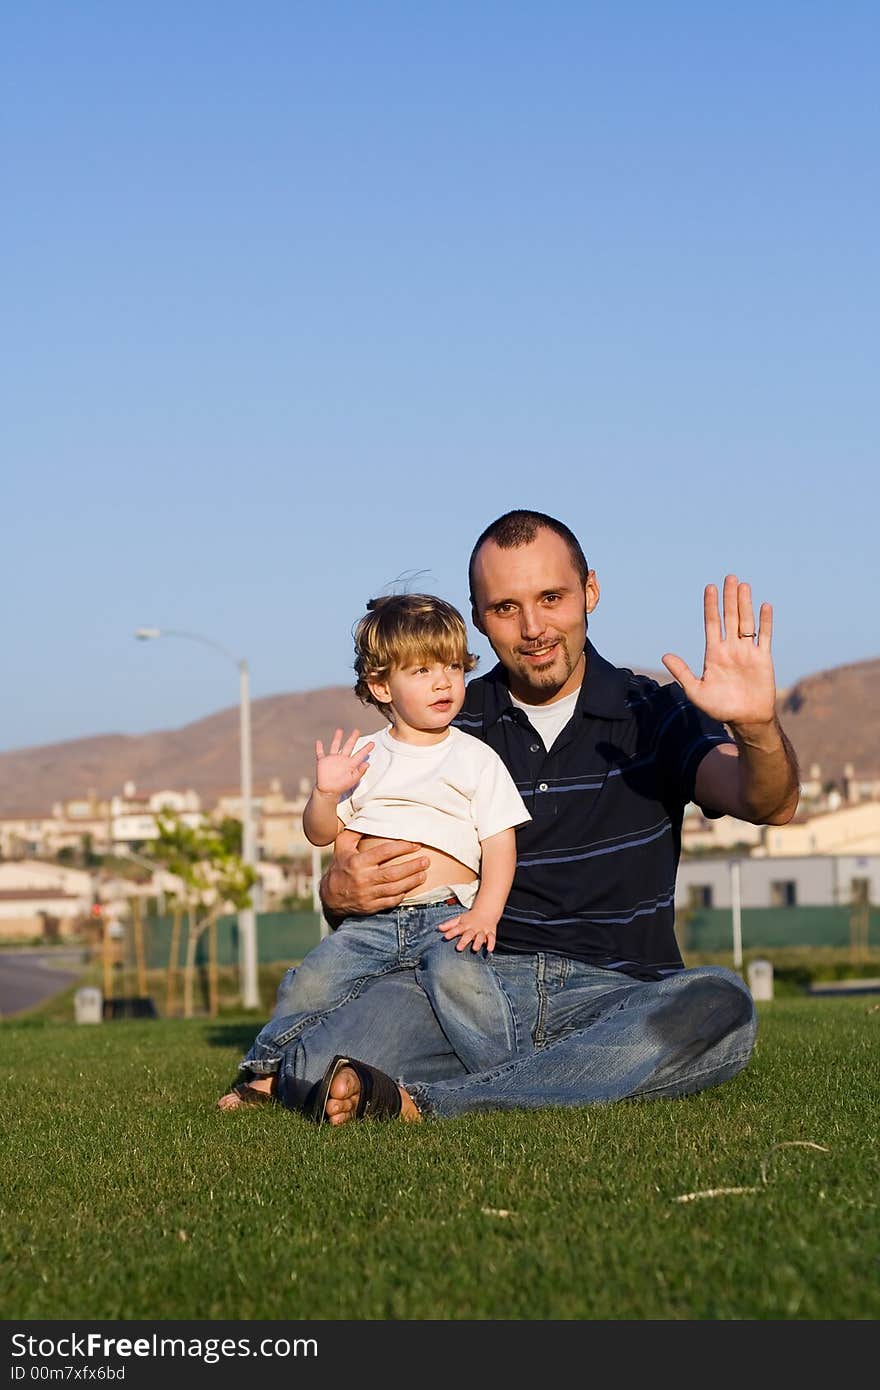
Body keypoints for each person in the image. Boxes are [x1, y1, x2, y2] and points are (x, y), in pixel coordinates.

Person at [263, 509, 800, 1125]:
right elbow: (362, 876)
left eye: (552, 597)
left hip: (619, 993)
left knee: (721, 1005)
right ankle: (548, 1079)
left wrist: (756, 727)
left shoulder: (652, 710)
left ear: (590, 591)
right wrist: (339, 891)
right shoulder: (440, 727)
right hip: (459, 987)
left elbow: (770, 802)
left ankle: (438, 1101)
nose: (534, 627)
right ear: (478, 615)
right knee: (310, 1063)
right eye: (505, 607)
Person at [218, 593, 530, 1109]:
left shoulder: (476, 758)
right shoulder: (365, 756)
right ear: (381, 685)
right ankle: (267, 1071)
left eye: (453, 666)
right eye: (423, 669)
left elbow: (500, 842)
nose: (443, 682)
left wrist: (486, 911)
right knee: (313, 980)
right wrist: (323, 793)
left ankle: (504, 1076)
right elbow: (320, 834)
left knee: (464, 983)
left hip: (447, 916)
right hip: (370, 922)